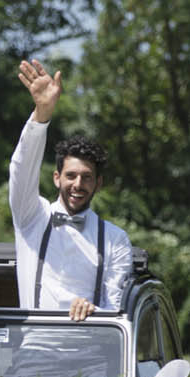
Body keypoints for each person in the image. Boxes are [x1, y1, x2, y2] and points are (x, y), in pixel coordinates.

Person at [11, 58, 134, 319]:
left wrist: (95, 311)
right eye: (71, 176)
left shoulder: (115, 239)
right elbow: (21, 169)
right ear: (57, 178)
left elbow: (115, 309)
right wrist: (42, 114)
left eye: (87, 177)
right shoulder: (32, 217)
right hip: (36, 347)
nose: (78, 185)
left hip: (91, 349)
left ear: (98, 183)